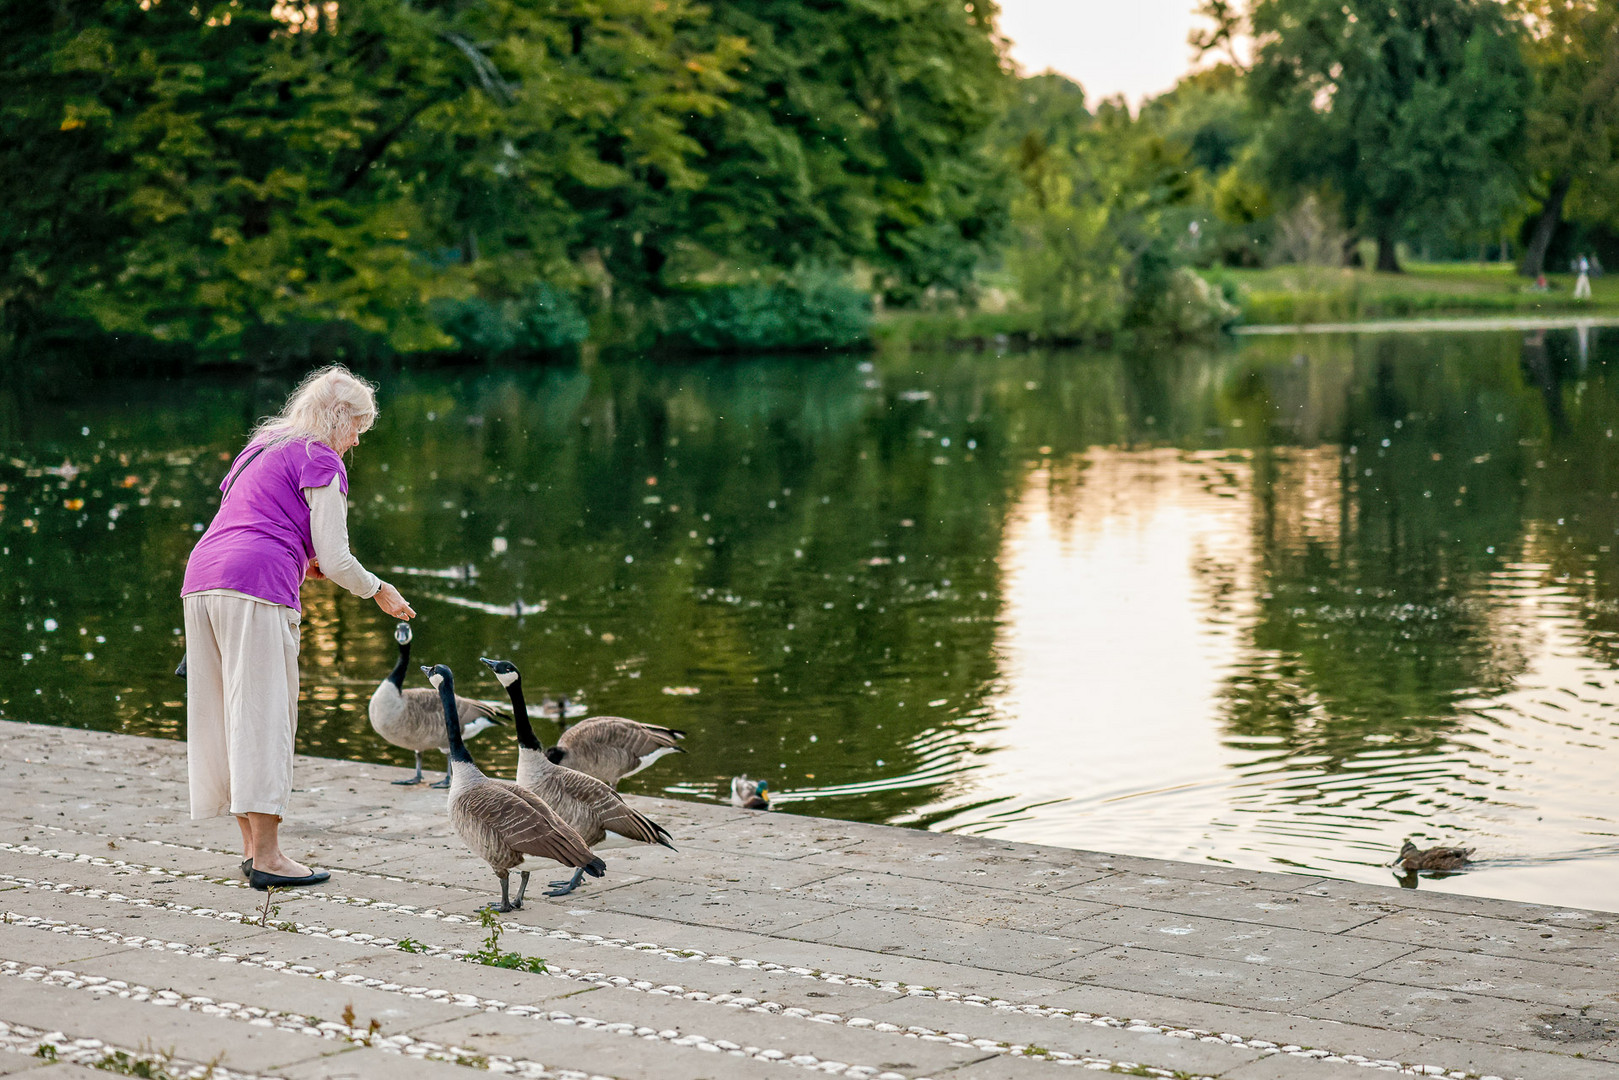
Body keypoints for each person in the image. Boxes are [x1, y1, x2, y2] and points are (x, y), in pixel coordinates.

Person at [181, 365, 415, 889]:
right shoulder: (321, 458)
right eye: (356, 426)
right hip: (256, 585)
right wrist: (379, 589)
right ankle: (267, 858)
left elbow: (252, 517)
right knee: (263, 715)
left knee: (226, 715)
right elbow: (335, 557)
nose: (357, 439)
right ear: (337, 420)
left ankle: (250, 848)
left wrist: (300, 554)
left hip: (202, 579)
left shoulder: (262, 446)